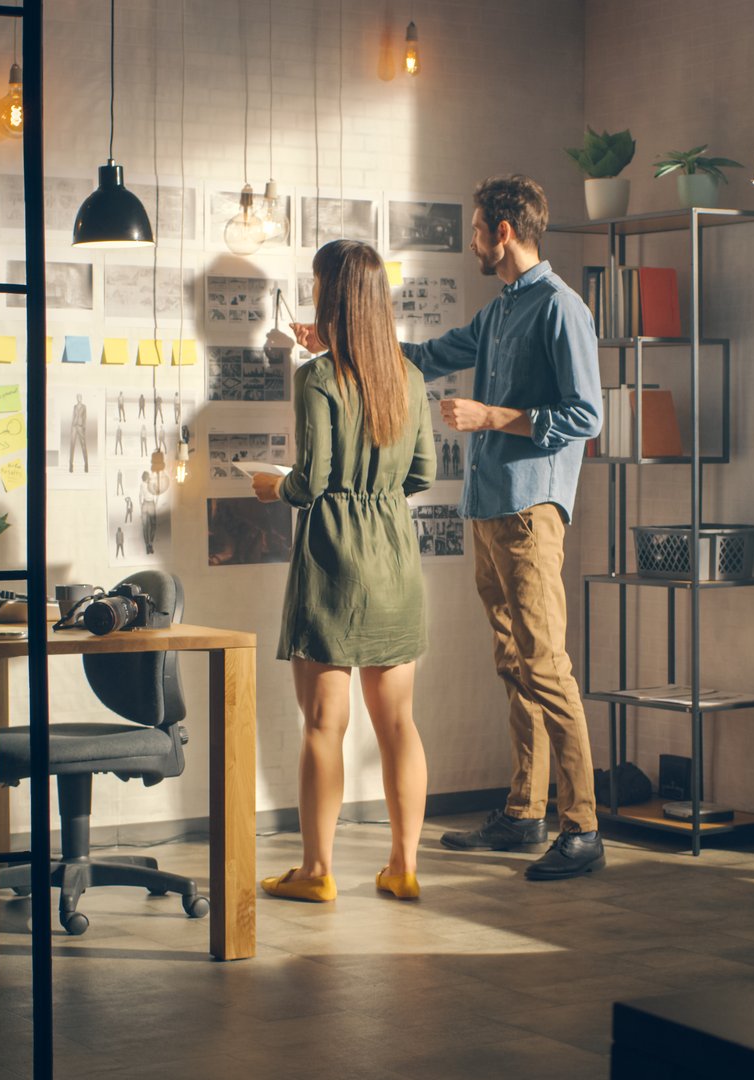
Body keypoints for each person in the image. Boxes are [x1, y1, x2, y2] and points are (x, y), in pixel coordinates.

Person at [394, 174, 610, 881]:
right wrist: (347, 342)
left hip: (529, 512)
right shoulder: (500, 310)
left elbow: (587, 416)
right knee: (513, 663)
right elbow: (429, 356)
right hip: (488, 512)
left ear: (504, 232)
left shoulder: (561, 308)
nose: (473, 243)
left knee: (546, 666)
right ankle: (524, 812)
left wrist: (490, 417)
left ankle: (583, 827)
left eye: (477, 230)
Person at [258, 238, 435, 903]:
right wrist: (377, 493)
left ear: (329, 293)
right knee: (399, 725)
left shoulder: (317, 379)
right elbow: (423, 472)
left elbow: (311, 481)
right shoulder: (409, 377)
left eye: (315, 284)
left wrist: (272, 488)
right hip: (394, 559)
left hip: (333, 560)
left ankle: (316, 872)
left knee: (323, 725)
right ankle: (404, 867)